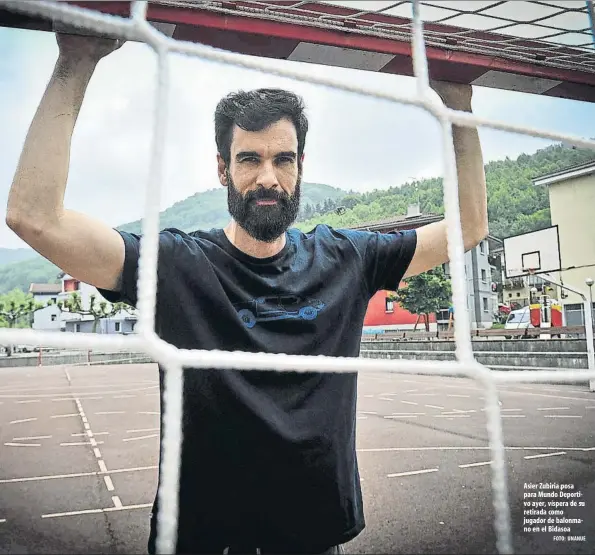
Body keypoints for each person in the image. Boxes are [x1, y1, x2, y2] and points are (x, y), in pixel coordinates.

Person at [6, 33, 488, 555]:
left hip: (314, 531)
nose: (268, 178)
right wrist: (76, 59)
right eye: (248, 159)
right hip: (204, 536)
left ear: (301, 166)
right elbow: (34, 218)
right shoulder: (176, 265)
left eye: (283, 159)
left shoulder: (348, 257)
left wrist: (458, 105)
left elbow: (469, 227)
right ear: (222, 169)